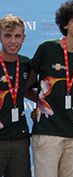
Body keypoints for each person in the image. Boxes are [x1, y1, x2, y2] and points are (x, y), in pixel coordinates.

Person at [26, 0, 73, 177]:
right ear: (65, 24)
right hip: (48, 132)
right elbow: (26, 86)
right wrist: (42, 103)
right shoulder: (47, 48)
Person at [0, 14, 34, 177]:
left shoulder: (26, 64)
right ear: (0, 37)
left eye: (17, 36)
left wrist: (43, 107)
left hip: (20, 138)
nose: (13, 41)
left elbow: (26, 90)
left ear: (23, 38)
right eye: (8, 36)